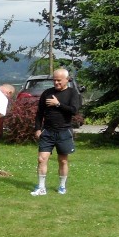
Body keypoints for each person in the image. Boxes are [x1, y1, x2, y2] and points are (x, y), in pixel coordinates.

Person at [32, 68, 82, 196]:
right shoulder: (47, 93)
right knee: (41, 159)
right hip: (47, 131)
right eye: (54, 80)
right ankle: (41, 187)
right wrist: (38, 128)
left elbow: (74, 110)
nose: (56, 83)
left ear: (67, 80)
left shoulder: (72, 93)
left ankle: (62, 186)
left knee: (63, 161)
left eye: (59, 80)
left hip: (64, 132)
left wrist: (58, 104)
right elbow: (39, 113)